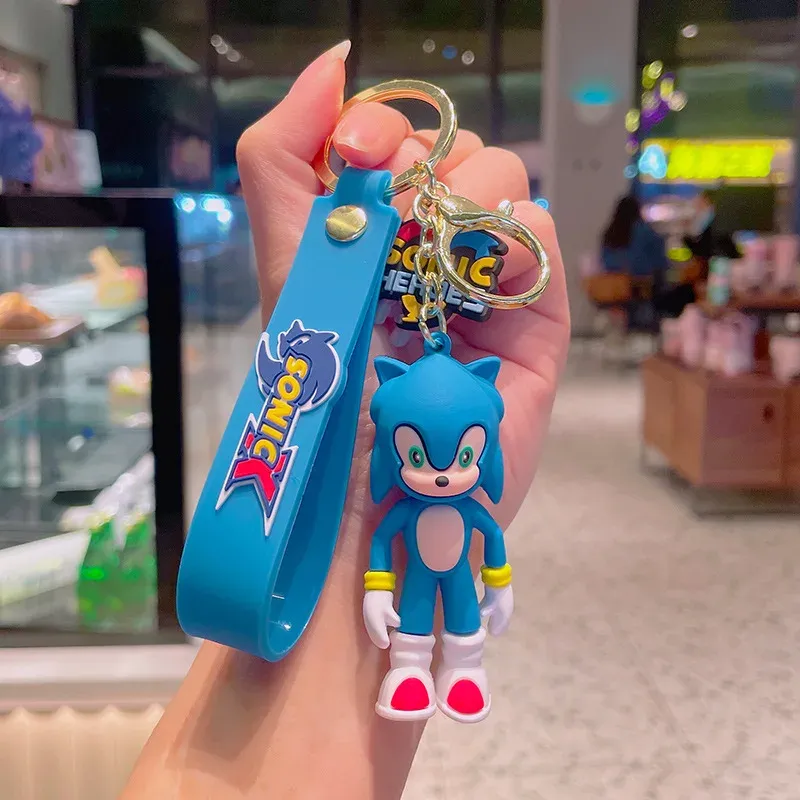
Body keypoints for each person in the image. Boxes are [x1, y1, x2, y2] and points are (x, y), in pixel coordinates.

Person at [120, 41, 570, 800]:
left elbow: (481, 540)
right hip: (382, 573)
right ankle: (420, 669)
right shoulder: (398, 473)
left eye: (461, 456)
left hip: (430, 572)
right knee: (424, 620)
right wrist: (360, 560)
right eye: (424, 456)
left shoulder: (460, 476)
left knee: (456, 617)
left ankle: (456, 669)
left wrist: (493, 579)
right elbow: (386, 538)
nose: (443, 472)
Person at [600, 194, 668, 277]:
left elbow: (605, 261)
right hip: (643, 280)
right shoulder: (645, 232)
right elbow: (660, 262)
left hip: (615, 281)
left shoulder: (610, 233)